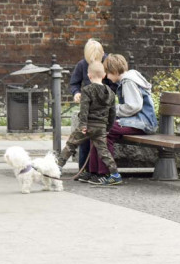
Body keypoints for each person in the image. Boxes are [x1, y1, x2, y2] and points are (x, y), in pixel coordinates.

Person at [80, 54, 159, 183]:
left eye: (108, 73)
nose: (107, 77)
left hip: (143, 123)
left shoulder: (128, 81)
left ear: (115, 71)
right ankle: (94, 172)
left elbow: (134, 106)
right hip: (136, 121)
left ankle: (106, 174)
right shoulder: (128, 79)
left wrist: (112, 110)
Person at [57, 61, 121, 186]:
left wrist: (83, 126)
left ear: (89, 75)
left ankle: (57, 167)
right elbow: (112, 113)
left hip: (88, 126)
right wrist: (107, 128)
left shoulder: (87, 90)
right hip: (101, 127)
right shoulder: (111, 93)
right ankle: (115, 175)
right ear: (104, 75)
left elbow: (84, 110)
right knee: (104, 152)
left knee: (71, 144)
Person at [68, 39, 115, 180]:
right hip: (88, 108)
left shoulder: (108, 63)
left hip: (102, 109)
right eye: (90, 61)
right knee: (84, 138)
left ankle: (98, 171)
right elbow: (74, 83)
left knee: (98, 142)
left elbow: (113, 85)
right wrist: (76, 93)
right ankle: (84, 170)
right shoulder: (82, 65)